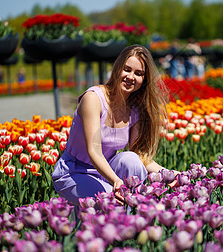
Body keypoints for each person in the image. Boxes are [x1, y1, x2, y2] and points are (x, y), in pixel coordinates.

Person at [52, 45, 175, 206]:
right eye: (127, 69)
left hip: (106, 172)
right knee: (114, 201)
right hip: (74, 172)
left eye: (138, 74)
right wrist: (117, 181)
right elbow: (93, 151)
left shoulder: (135, 110)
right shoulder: (93, 99)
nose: (131, 76)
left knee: (131, 159)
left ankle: (135, 223)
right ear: (117, 68)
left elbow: (141, 158)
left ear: (144, 80)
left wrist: (171, 175)